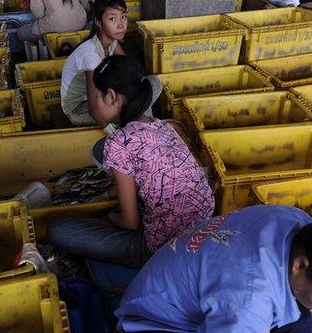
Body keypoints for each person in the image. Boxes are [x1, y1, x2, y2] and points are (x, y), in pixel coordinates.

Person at [115, 194, 312, 332]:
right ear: (300, 265)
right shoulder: (247, 299)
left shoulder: (300, 223)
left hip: (189, 281)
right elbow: (245, 303)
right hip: (152, 321)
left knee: (304, 320)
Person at [48, 55, 215, 268]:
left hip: (164, 247)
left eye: (97, 96)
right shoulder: (163, 126)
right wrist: (109, 194)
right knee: (106, 153)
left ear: (111, 96)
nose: (95, 103)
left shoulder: (119, 142)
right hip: (204, 226)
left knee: (58, 230)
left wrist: (111, 215)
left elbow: (130, 223)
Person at [60, 0, 128, 127]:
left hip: (103, 96)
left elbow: (128, 69)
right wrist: (112, 134)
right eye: (113, 19)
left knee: (151, 84)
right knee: (128, 112)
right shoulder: (90, 55)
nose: (121, 25)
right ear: (98, 22)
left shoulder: (112, 41)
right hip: (78, 109)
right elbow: (93, 110)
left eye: (123, 17)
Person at [16, 0, 90, 43]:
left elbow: (38, 14)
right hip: (80, 25)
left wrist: (33, 3)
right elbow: (85, 4)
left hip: (56, 29)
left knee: (21, 32)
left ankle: (45, 47)